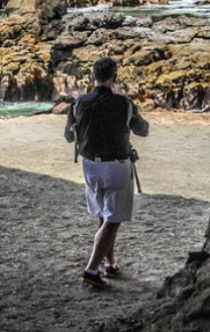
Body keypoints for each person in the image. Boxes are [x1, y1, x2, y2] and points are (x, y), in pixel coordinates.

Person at [64, 56, 149, 288]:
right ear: (115, 77)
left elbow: (69, 136)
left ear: (92, 77)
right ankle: (91, 270)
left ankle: (109, 263)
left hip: (90, 165)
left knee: (103, 214)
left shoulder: (78, 103)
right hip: (117, 166)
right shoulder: (125, 104)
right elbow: (143, 131)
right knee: (113, 220)